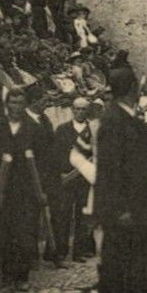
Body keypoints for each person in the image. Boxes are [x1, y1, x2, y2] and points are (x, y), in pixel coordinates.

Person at [94, 66, 147, 293]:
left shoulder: (128, 117)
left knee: (138, 269)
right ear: (131, 88)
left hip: (140, 209)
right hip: (122, 212)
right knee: (114, 271)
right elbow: (110, 171)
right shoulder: (112, 121)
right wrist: (118, 209)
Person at [0, 87, 48, 291]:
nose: (16, 107)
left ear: (25, 105)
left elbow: (43, 161)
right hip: (3, 186)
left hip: (26, 187)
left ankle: (21, 275)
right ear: (7, 104)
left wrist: (42, 189)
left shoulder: (34, 128)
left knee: (25, 232)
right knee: (4, 231)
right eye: (12, 103)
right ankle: (7, 272)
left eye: (19, 103)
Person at [53, 96, 95, 264]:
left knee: (82, 216)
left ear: (87, 111)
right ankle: (61, 251)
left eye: (83, 109)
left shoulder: (92, 131)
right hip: (67, 178)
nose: (79, 112)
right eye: (76, 109)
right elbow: (56, 154)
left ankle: (79, 251)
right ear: (72, 110)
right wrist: (62, 173)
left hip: (84, 180)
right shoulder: (62, 130)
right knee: (63, 215)